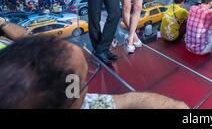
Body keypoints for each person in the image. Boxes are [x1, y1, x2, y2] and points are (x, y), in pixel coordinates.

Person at [0, 36, 189, 109]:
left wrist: (175, 107)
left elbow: (129, 100)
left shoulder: (77, 99)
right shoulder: (73, 95)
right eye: (82, 81)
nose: (87, 87)